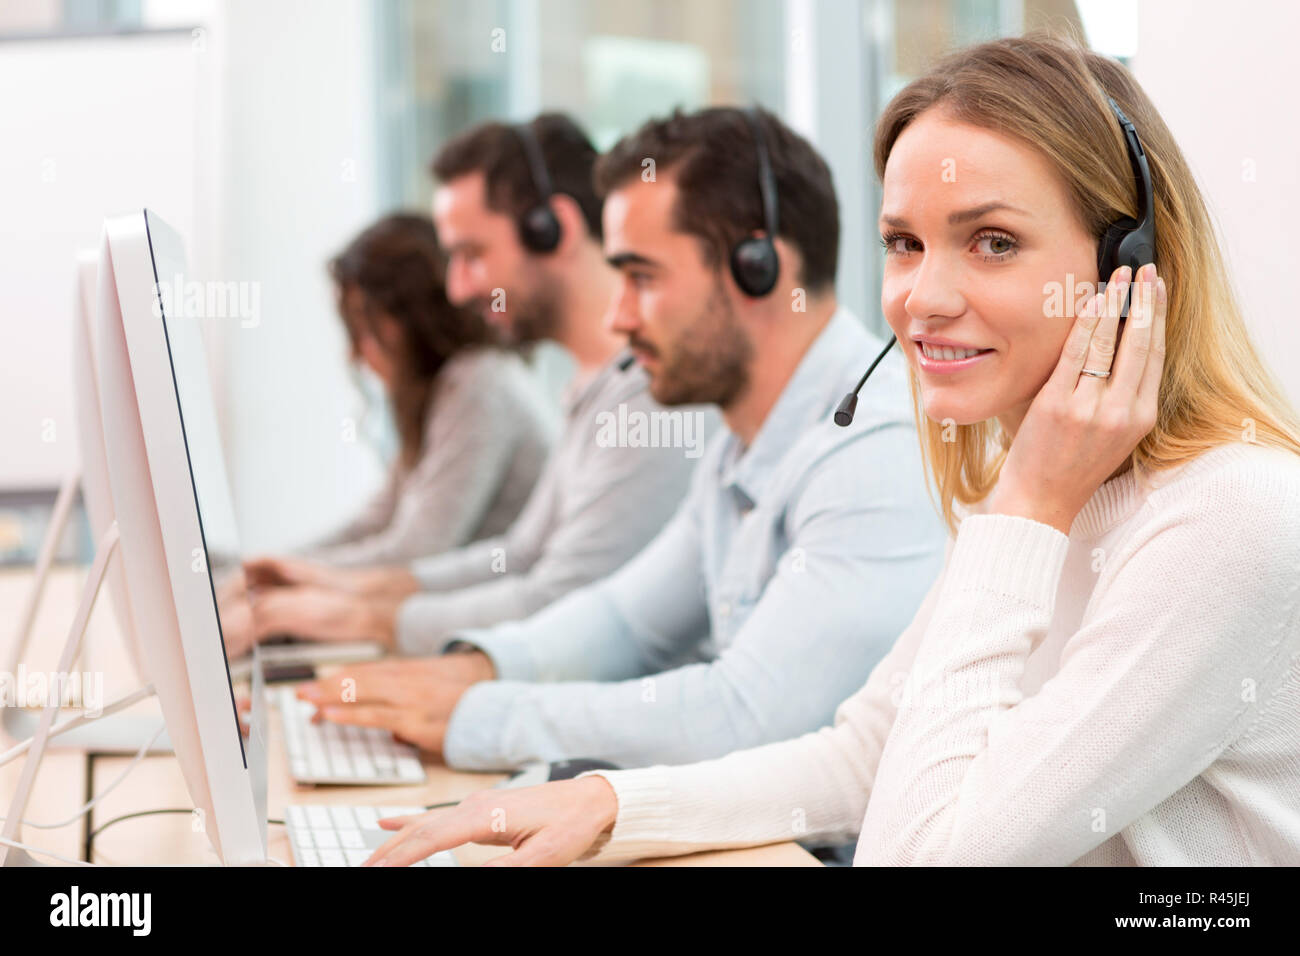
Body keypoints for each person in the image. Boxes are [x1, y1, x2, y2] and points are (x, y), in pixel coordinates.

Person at [357, 33, 1300, 867]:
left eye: (993, 243)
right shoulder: (1049, 485)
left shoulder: (1221, 520)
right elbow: (865, 755)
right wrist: (610, 804)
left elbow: (920, 854)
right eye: (905, 243)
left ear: (1128, 270)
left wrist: (1029, 506)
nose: (922, 297)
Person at [297, 106, 948, 779]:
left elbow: (744, 716)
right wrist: (475, 668)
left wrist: (481, 714)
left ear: (759, 268)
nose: (617, 314)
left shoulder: (873, 451)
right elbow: (624, 621)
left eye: (642, 277)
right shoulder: (741, 445)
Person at [245, 114, 710, 649]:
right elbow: (518, 557)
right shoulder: (597, 387)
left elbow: (557, 599)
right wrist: (334, 588)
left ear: (551, 229)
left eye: (471, 255)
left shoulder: (650, 399)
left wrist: (349, 615)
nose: (458, 288)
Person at [294, 212, 556, 568]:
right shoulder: (441, 397)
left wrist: (280, 579)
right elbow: (372, 524)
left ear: (414, 318)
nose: (356, 353)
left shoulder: (479, 386)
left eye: (365, 329)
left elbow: (416, 552)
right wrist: (258, 573)